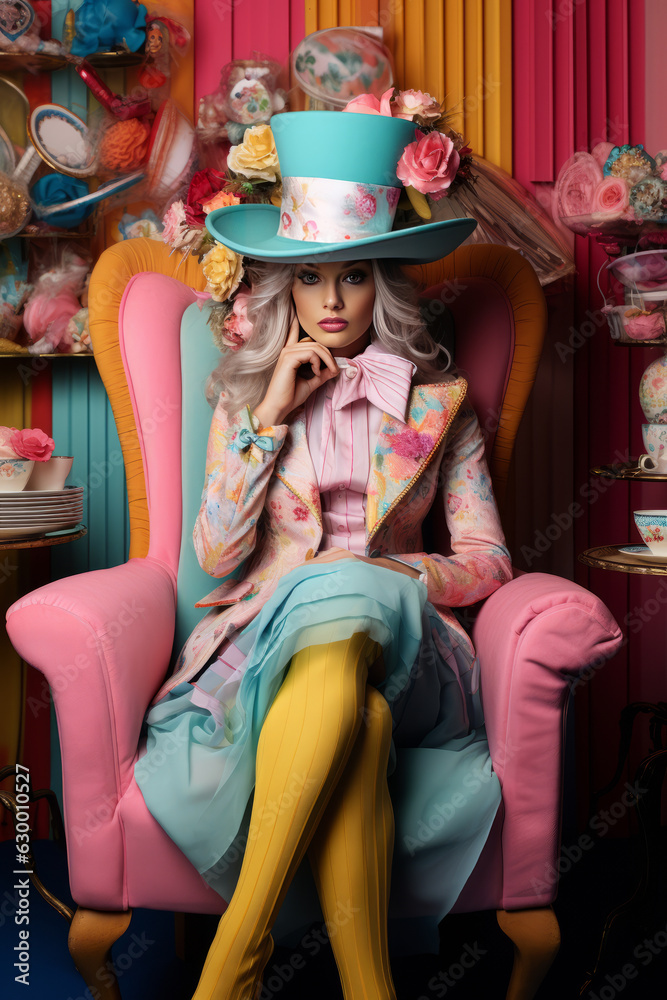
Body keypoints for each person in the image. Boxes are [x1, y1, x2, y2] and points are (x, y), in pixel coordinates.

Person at [135, 106, 512, 1000]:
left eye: (353, 276)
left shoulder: (436, 405)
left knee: (352, 598)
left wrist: (392, 572)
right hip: (274, 649)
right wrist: (265, 421)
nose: (333, 300)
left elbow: (490, 563)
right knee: (359, 724)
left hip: (410, 644)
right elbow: (219, 556)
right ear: (285, 291)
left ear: (383, 284)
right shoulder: (244, 404)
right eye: (310, 279)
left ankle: (235, 953)